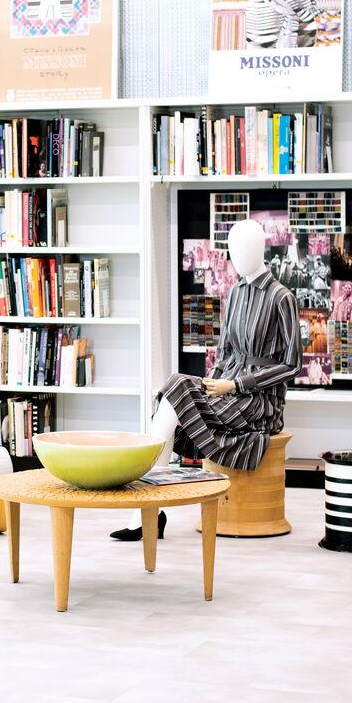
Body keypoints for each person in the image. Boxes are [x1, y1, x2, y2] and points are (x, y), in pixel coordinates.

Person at [112, 220, 302, 541]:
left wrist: (237, 385)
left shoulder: (281, 297)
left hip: (259, 402)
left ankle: (147, 514)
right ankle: (147, 511)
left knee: (176, 391)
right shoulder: (235, 292)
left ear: (261, 249)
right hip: (227, 391)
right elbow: (225, 351)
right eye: (233, 249)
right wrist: (212, 384)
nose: (237, 256)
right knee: (175, 391)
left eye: (244, 248)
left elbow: (292, 365)